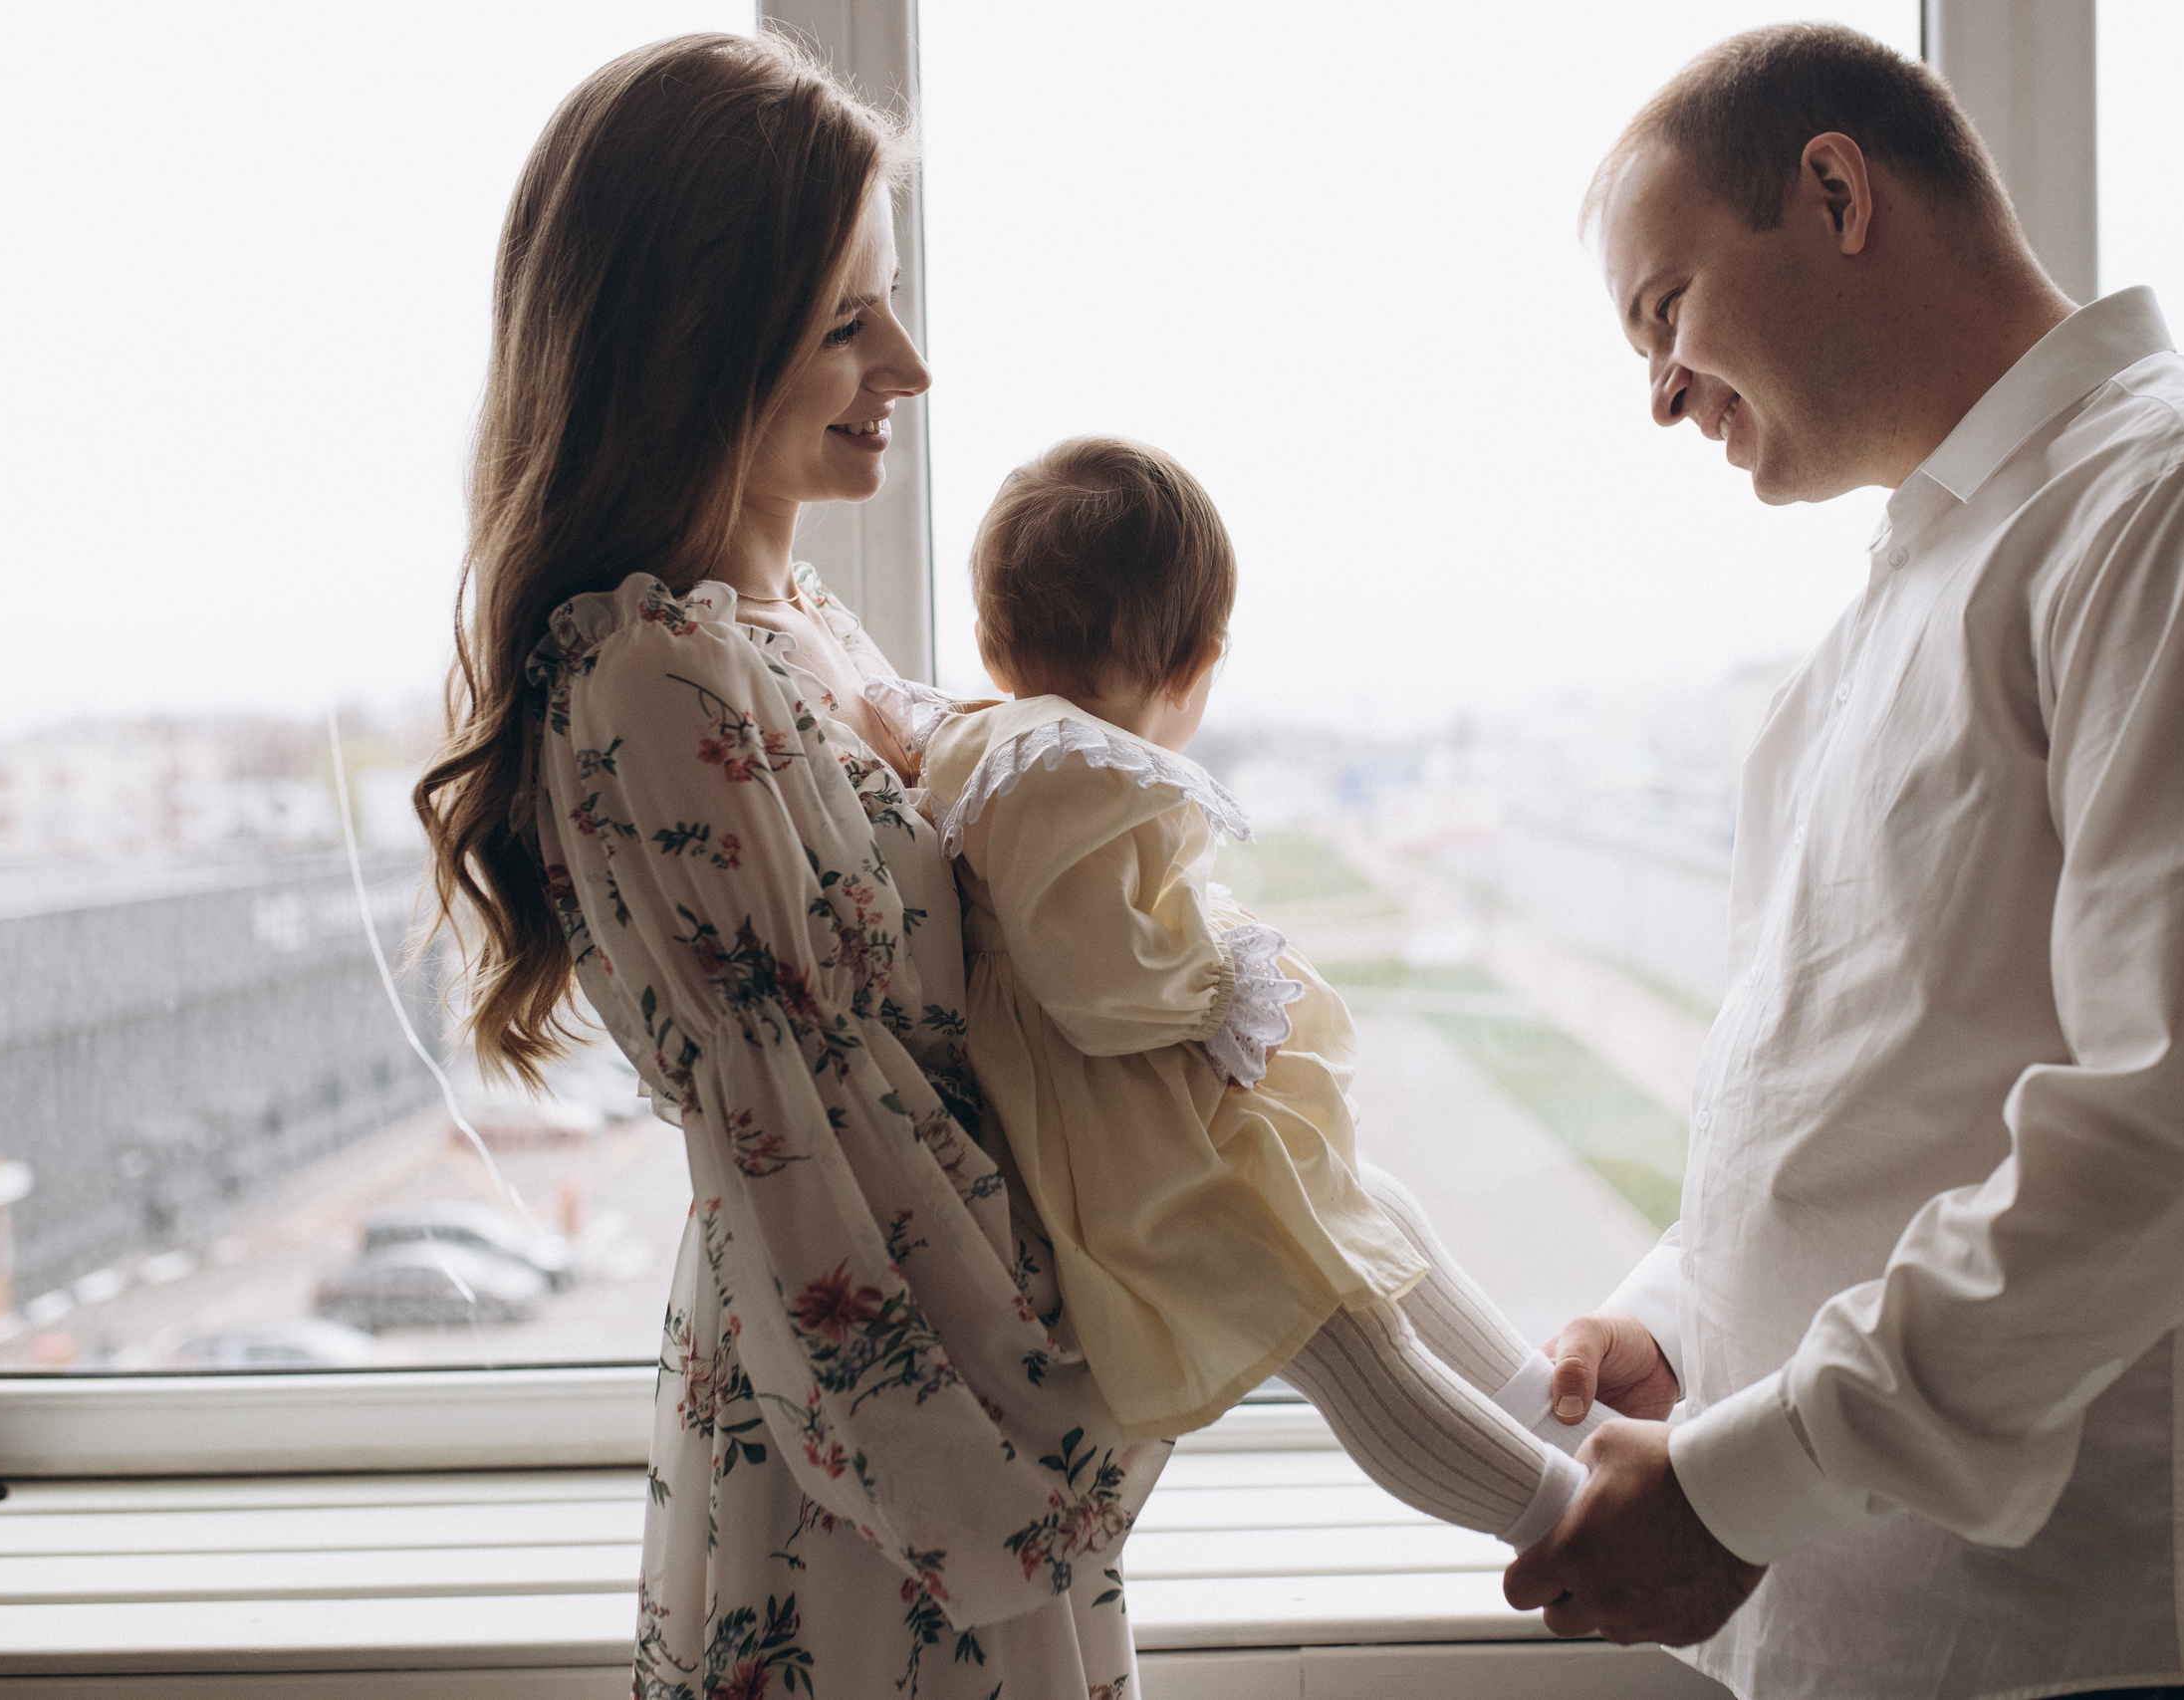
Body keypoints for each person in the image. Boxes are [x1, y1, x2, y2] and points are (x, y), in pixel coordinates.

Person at [1503, 23, 2184, 1700]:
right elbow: (1862, 1104)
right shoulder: (1900, 606)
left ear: (1837, 191)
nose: (1656, 393)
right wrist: (1677, 1324)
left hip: (2117, 1647)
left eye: (1664, 312)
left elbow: (2177, 1132)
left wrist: (1740, 1479)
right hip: (1905, 1639)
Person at [415, 34, 1167, 1700]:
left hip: (956, 1446)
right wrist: (1086, 1417)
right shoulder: (652, 682)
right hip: (896, 1479)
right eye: (846, 321)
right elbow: (834, 1174)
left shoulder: (790, 629)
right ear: (693, 355)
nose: (907, 360)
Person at [894, 434, 1613, 1551]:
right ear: (1199, 664)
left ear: (992, 643)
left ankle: (1565, 1426)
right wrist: (1216, 978)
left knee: (1373, 1210)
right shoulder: (1060, 770)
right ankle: (1575, 1521)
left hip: (1151, 1111)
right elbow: (1093, 982)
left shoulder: (1016, 747)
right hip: (1130, 1143)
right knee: (1333, 1328)